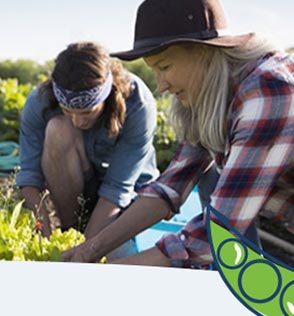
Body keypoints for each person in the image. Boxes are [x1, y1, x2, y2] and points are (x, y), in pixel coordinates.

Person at [62, 0, 294, 267]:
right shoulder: (207, 94)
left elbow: (221, 230)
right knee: (213, 177)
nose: (160, 86)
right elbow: (170, 187)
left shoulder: (268, 91)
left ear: (204, 53)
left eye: (164, 67)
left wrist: (110, 274)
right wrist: (88, 251)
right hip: (279, 219)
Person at [16, 41, 159, 259]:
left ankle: (83, 237)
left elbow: (117, 188)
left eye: (88, 112)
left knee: (121, 258)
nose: (77, 122)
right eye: (68, 111)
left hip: (127, 197)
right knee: (58, 129)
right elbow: (29, 178)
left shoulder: (138, 104)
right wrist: (45, 238)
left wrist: (85, 250)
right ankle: (71, 226)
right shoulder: (38, 101)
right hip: (79, 189)